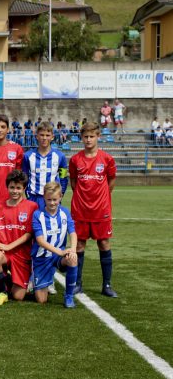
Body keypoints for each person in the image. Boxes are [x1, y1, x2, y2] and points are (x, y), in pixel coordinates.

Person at [69, 122, 117, 297]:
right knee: (79, 244)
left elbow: (111, 181)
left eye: (92, 136)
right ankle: (77, 283)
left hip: (101, 209)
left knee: (103, 243)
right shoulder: (75, 160)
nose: (88, 140)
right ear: (81, 138)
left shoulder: (107, 159)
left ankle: (107, 285)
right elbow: (74, 183)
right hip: (80, 209)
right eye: (85, 136)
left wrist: (101, 197)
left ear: (98, 137)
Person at [0, 170, 38, 306]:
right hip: (4, 251)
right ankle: (2, 291)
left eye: (18, 188)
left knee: (18, 296)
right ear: (7, 187)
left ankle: (8, 279)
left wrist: (9, 246)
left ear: (24, 188)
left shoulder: (32, 207)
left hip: (22, 254)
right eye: (12, 187)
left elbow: (29, 234)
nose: (15, 191)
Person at [31, 182, 78, 308]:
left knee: (72, 259)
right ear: (43, 198)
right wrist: (60, 252)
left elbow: (72, 232)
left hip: (58, 257)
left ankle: (69, 296)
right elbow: (40, 241)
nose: (52, 203)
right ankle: (36, 278)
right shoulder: (37, 215)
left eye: (55, 200)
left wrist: (72, 249)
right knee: (41, 300)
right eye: (49, 200)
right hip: (42, 258)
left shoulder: (65, 212)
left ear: (61, 197)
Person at [22, 121, 68, 211]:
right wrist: (27, 195)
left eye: (47, 135)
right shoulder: (28, 156)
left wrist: (60, 194)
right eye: (42, 135)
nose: (44, 138)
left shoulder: (60, 156)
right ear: (37, 136)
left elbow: (63, 178)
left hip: (52, 199)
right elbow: (25, 177)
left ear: (52, 137)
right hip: (33, 198)